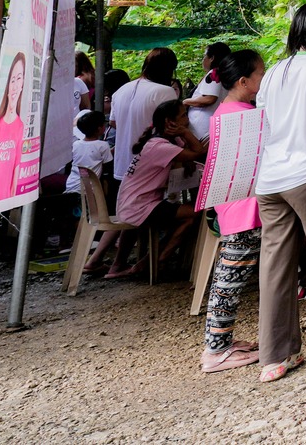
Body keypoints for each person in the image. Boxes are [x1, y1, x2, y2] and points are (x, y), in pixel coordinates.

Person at [256, 1, 306, 384]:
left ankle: (276, 356)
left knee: (275, 266)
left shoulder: (272, 72)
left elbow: (263, 125)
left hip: (270, 180)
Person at [201, 49, 267, 372]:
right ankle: (215, 351)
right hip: (245, 209)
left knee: (229, 276)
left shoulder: (224, 112)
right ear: (244, 82)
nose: (263, 79)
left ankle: (222, 340)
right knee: (230, 278)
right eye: (260, 74)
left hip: (233, 208)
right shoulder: (246, 116)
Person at [109, 99, 205, 278]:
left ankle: (153, 260)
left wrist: (187, 156)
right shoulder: (160, 146)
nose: (187, 119)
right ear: (170, 122)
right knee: (195, 212)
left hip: (135, 202)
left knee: (188, 218)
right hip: (140, 205)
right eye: (183, 116)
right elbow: (199, 151)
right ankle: (156, 260)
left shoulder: (164, 140)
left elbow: (189, 154)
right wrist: (185, 132)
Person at [109, 48, 179, 181]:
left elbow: (113, 122)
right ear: (169, 69)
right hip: (150, 166)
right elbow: (173, 125)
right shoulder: (165, 91)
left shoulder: (121, 90)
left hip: (122, 165)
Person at [184, 43, 232, 139]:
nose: (203, 60)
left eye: (205, 56)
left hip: (201, 129)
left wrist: (186, 102)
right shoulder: (226, 75)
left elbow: (210, 98)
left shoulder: (214, 73)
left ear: (212, 58)